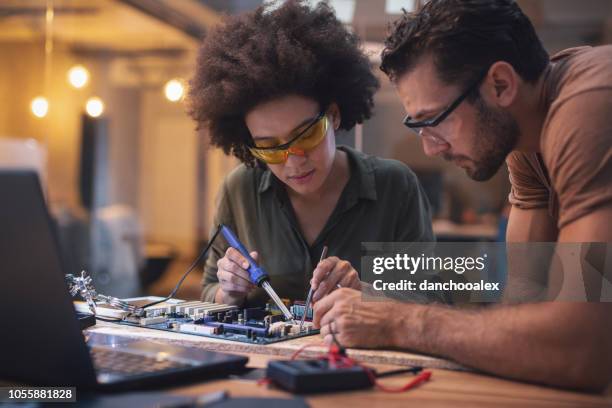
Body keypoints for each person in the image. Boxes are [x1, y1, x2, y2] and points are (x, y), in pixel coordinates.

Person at [314, 0, 612, 391]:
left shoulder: (588, 106)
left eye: (434, 120)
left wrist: (396, 321)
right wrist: (381, 304)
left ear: (501, 85)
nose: (430, 149)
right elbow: (525, 310)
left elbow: (581, 349)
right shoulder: (527, 142)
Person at [187, 1, 433, 308]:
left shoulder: (394, 186)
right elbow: (209, 290)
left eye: (306, 135)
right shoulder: (239, 190)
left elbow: (430, 300)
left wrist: (364, 291)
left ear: (334, 115)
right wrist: (229, 291)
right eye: (269, 147)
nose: (293, 160)